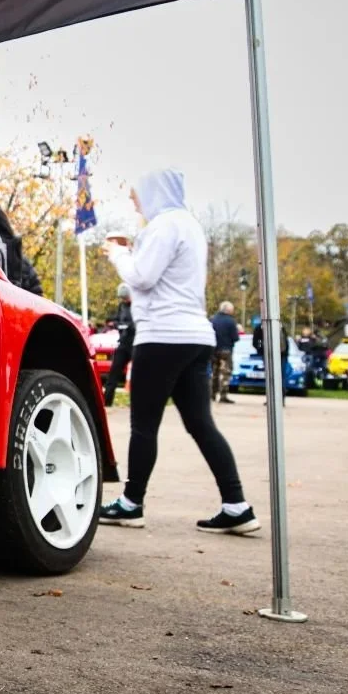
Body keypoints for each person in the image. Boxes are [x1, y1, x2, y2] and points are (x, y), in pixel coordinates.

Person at [98, 169, 259, 534]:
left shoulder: (163, 225)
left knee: (143, 425)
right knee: (201, 424)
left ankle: (131, 503)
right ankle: (237, 505)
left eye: (137, 192)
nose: (134, 199)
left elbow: (141, 278)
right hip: (195, 337)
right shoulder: (189, 225)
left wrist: (118, 253)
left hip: (162, 336)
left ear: (154, 191)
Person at [102, 283, 135, 407]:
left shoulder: (137, 306)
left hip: (135, 343)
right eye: (123, 298)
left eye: (126, 298)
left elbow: (139, 322)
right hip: (123, 343)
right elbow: (117, 319)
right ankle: (107, 402)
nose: (125, 300)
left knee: (138, 374)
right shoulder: (122, 306)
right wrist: (113, 323)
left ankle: (138, 403)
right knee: (113, 373)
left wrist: (129, 326)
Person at [210, 301, 239, 403]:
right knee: (225, 373)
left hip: (213, 349)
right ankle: (223, 396)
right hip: (226, 351)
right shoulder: (231, 321)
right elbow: (236, 338)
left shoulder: (212, 319)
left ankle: (211, 395)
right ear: (228, 310)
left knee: (214, 372)